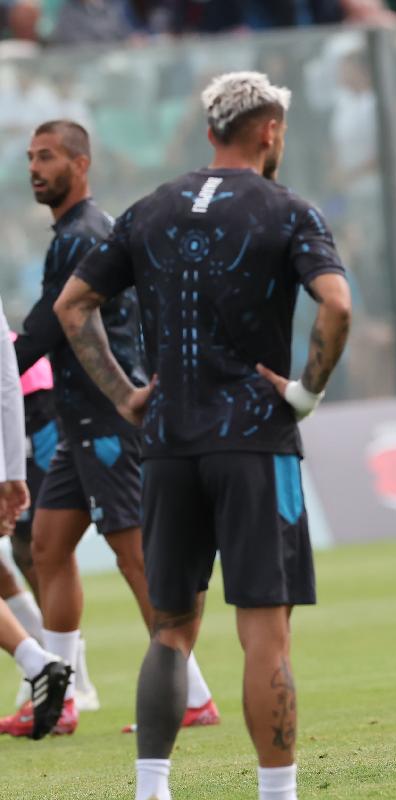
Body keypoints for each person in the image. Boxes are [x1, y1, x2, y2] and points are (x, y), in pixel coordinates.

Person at [55, 71, 351, 800]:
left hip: (166, 444)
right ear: (270, 131)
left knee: (170, 627)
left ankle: (152, 788)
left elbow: (73, 305)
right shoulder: (288, 210)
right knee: (265, 633)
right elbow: (337, 305)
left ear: (211, 130)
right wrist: (306, 392)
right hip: (254, 442)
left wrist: (126, 396)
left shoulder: (149, 209)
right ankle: (276, 794)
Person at [0, 119, 218, 738]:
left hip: (107, 419)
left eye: (47, 157)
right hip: (80, 420)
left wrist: (3, 367)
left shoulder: (83, 236)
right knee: (48, 547)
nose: (34, 168)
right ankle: (59, 697)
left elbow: (49, 327)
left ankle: (192, 694)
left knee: (135, 557)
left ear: (81, 164)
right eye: (30, 158)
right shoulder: (78, 233)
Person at [0, 297, 71, 741]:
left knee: (35, 550)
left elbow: (9, 381)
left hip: (42, 411)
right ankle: (41, 661)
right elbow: (6, 380)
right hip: (17, 434)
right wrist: (10, 474)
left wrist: (11, 475)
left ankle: (51, 666)